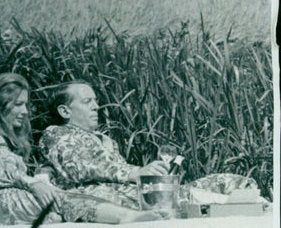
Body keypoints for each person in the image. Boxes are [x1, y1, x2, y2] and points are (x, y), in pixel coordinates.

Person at [0, 73, 158, 225]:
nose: (25, 111)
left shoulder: (6, 138)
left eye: (26, 105)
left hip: (9, 199)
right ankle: (126, 217)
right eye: (18, 105)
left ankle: (128, 215)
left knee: (59, 200)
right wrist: (34, 184)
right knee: (62, 199)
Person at [38, 79, 262, 209]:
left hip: (139, 194)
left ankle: (243, 199)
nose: (97, 107)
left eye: (96, 101)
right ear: (65, 111)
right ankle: (228, 204)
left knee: (231, 181)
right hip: (105, 199)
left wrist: (153, 174)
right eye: (88, 102)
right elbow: (80, 167)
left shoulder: (105, 139)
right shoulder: (57, 134)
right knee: (196, 198)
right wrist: (136, 172)